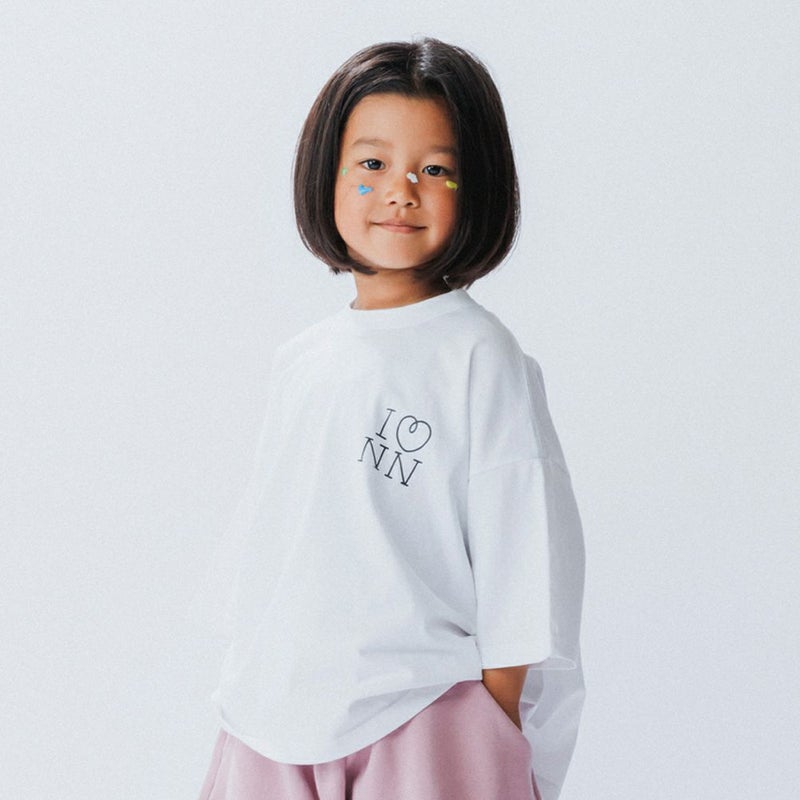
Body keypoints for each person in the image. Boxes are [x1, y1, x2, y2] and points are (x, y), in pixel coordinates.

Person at [194, 37, 585, 800]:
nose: (400, 191)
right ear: (326, 175)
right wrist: (251, 679)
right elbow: (275, 543)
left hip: (425, 713)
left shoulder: (480, 358)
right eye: (371, 163)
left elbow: (522, 562)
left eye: (435, 170)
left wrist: (491, 727)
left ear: (478, 188)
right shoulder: (303, 360)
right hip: (274, 715)